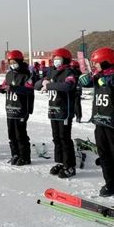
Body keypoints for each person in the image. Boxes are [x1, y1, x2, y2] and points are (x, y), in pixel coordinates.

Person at [79, 47, 114, 200]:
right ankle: (111, 183)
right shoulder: (98, 76)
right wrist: (84, 80)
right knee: (104, 155)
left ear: (105, 62)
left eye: (96, 63)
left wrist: (109, 79)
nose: (94, 66)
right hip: (100, 122)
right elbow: (88, 82)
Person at [34, 48, 78, 178]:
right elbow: (36, 85)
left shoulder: (69, 72)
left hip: (64, 111)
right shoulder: (52, 71)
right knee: (56, 138)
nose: (56, 61)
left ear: (65, 59)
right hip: (53, 110)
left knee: (65, 138)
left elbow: (67, 86)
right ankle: (60, 162)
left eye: (59, 59)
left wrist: (49, 85)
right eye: (55, 59)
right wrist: (43, 82)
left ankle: (69, 165)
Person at [0, 50, 35, 165]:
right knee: (11, 134)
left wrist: (12, 88)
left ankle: (25, 156)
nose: (12, 64)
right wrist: (0, 88)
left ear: (19, 61)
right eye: (10, 62)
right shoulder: (9, 74)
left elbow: (28, 90)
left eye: (14, 62)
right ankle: (15, 154)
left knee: (20, 134)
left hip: (21, 109)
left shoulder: (27, 74)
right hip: (10, 108)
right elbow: (5, 85)